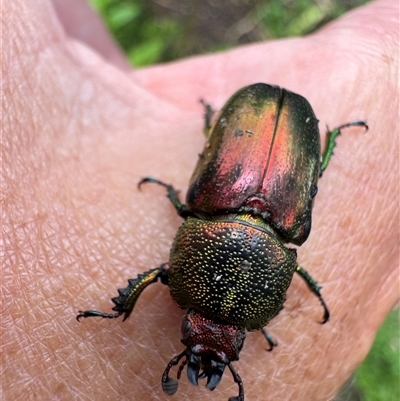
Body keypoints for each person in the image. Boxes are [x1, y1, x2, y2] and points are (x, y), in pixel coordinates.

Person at [2, 0, 398, 400]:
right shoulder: (262, 240)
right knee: (313, 176)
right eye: (232, 339)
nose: (209, 341)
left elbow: (171, 274)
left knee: (309, 175)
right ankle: (319, 142)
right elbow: (172, 276)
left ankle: (270, 136)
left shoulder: (260, 245)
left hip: (265, 120)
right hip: (279, 123)